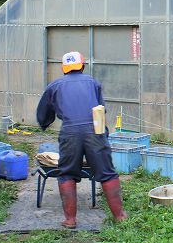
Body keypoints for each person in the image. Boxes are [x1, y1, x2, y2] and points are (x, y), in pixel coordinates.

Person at [36, 51, 128, 228]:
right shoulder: (93, 83)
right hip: (95, 129)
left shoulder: (54, 86)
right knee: (107, 172)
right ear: (83, 65)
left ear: (64, 68)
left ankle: (70, 220)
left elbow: (43, 114)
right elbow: (101, 110)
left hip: (70, 132)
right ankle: (120, 216)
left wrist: (45, 123)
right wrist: (103, 134)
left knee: (67, 173)